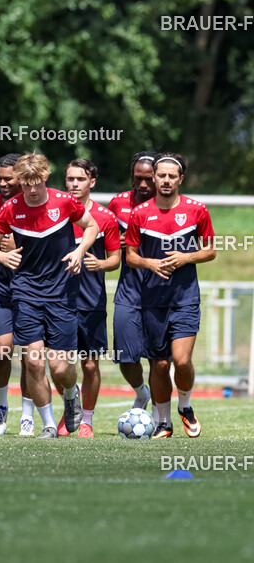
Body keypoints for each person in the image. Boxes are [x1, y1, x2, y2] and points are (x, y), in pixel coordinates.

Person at [0, 153, 98, 439]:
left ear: (46, 177)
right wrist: (1, 256)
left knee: (60, 366)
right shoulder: (10, 209)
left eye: (37, 182)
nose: (32, 190)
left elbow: (92, 226)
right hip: (25, 292)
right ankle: (49, 424)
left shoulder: (64, 202)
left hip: (62, 292)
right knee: (34, 362)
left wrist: (78, 252)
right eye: (26, 184)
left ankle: (70, 392)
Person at [124, 153, 216, 438]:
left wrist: (186, 258)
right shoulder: (140, 214)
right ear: (154, 178)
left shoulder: (196, 210)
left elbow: (211, 250)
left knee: (182, 360)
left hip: (185, 297)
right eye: (160, 175)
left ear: (180, 180)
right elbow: (130, 257)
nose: (165, 180)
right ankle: (163, 422)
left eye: (171, 176)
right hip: (152, 299)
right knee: (160, 363)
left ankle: (185, 406)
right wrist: (150, 263)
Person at [59, 159, 121, 437]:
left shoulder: (105, 218)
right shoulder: (55, 213)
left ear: (91, 183)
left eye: (80, 179)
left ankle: (86, 420)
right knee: (59, 364)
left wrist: (100, 264)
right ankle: (68, 408)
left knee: (90, 363)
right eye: (70, 179)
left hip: (91, 301)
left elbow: (116, 259)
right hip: (57, 300)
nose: (74, 184)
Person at [0, 153, 34, 436]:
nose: (2, 183)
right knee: (2, 349)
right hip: (0, 287)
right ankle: (1, 405)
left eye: (8, 178)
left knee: (29, 353)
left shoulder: (35, 204)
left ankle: (27, 414)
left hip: (31, 287)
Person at [107, 152, 158, 419]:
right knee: (125, 356)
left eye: (148, 179)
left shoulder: (169, 206)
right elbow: (104, 235)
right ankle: (141, 392)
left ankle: (164, 414)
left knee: (159, 360)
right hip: (128, 290)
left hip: (161, 292)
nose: (143, 185)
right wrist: (118, 242)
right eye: (138, 178)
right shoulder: (117, 203)